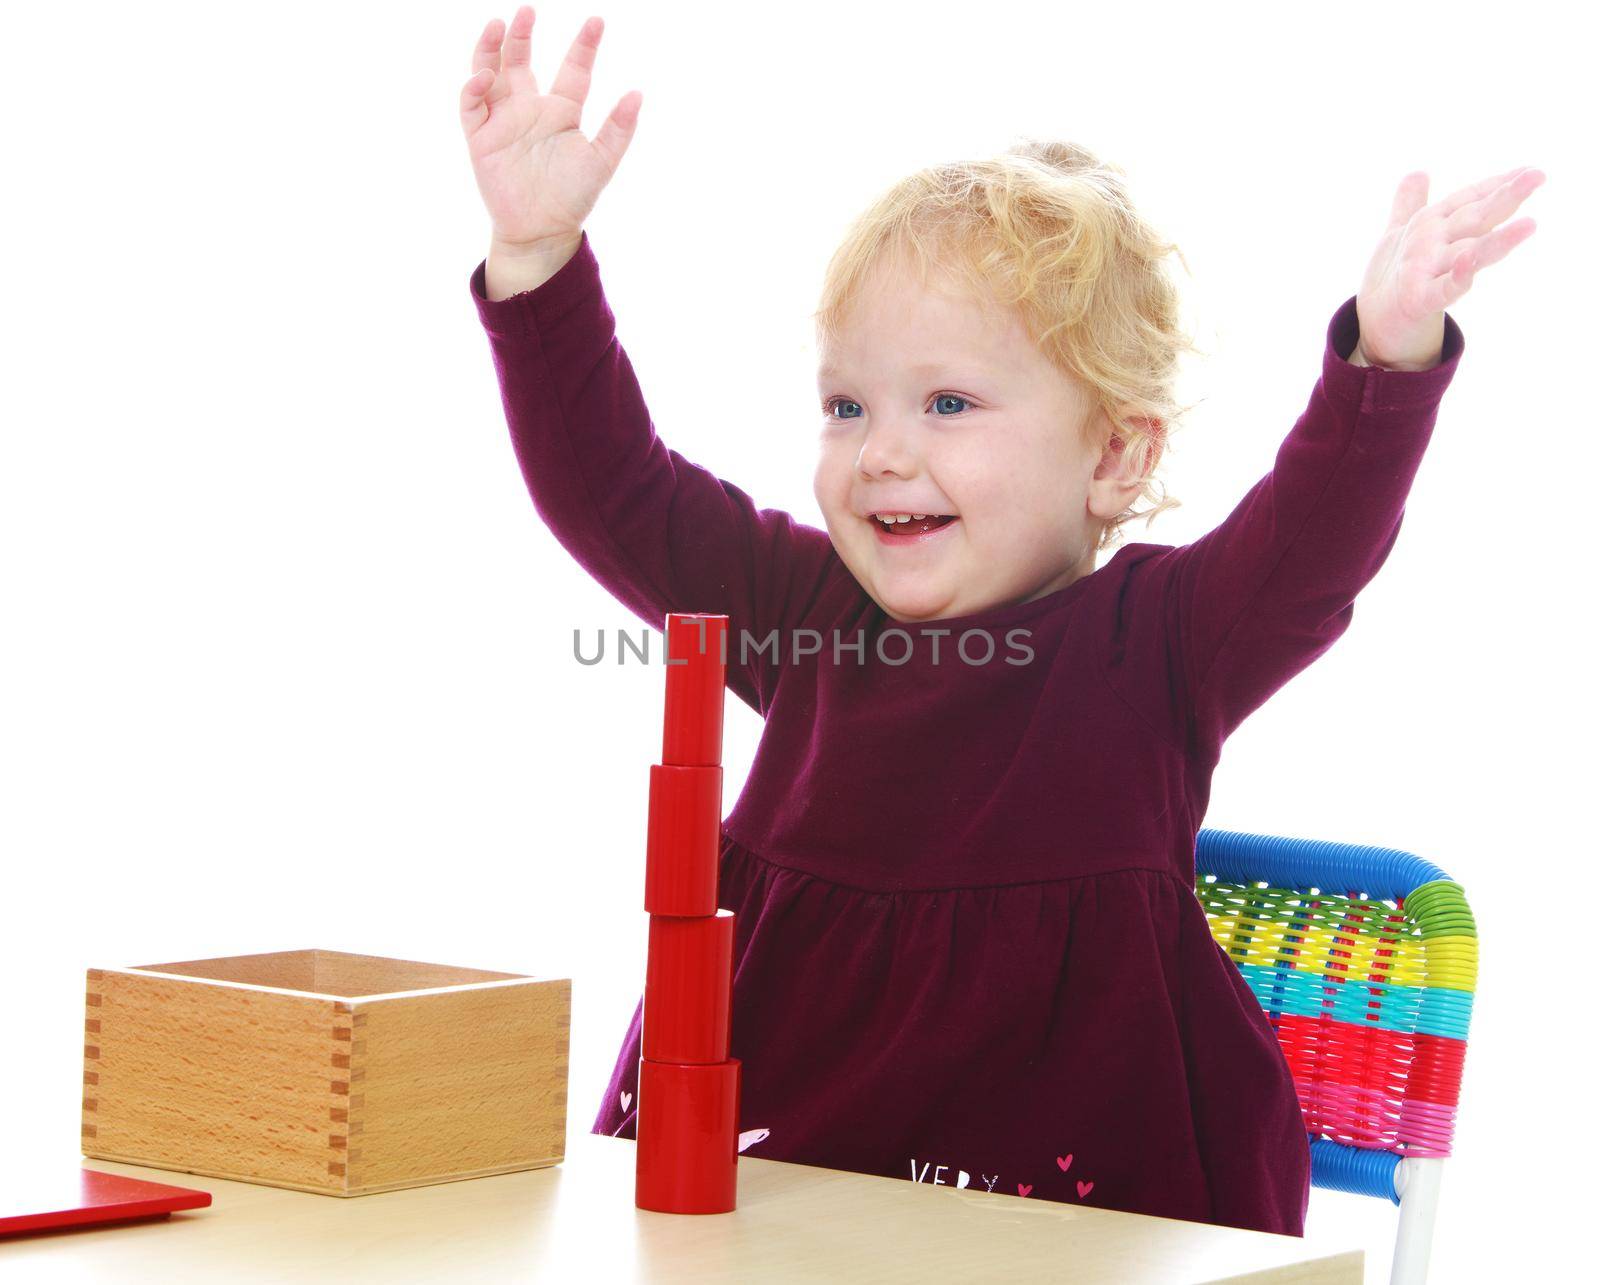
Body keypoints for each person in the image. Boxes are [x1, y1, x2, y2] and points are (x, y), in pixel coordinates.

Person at [458, 6, 1541, 1235]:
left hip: (1072, 1224)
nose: (883, 455)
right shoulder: (803, 612)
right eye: (847, 405)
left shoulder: (1161, 638)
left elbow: (1312, 546)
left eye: (950, 402)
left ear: (1114, 457)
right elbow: (614, 489)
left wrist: (1385, 362)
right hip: (774, 1211)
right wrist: (535, 255)